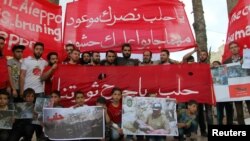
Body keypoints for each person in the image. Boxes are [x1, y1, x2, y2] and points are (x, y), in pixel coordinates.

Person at [223, 41, 250, 125]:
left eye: (235, 47)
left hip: (247, 87)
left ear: (239, 48)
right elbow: (223, 74)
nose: (234, 49)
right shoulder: (226, 62)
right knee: (239, 113)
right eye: (231, 47)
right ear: (230, 50)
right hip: (235, 90)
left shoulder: (246, 58)